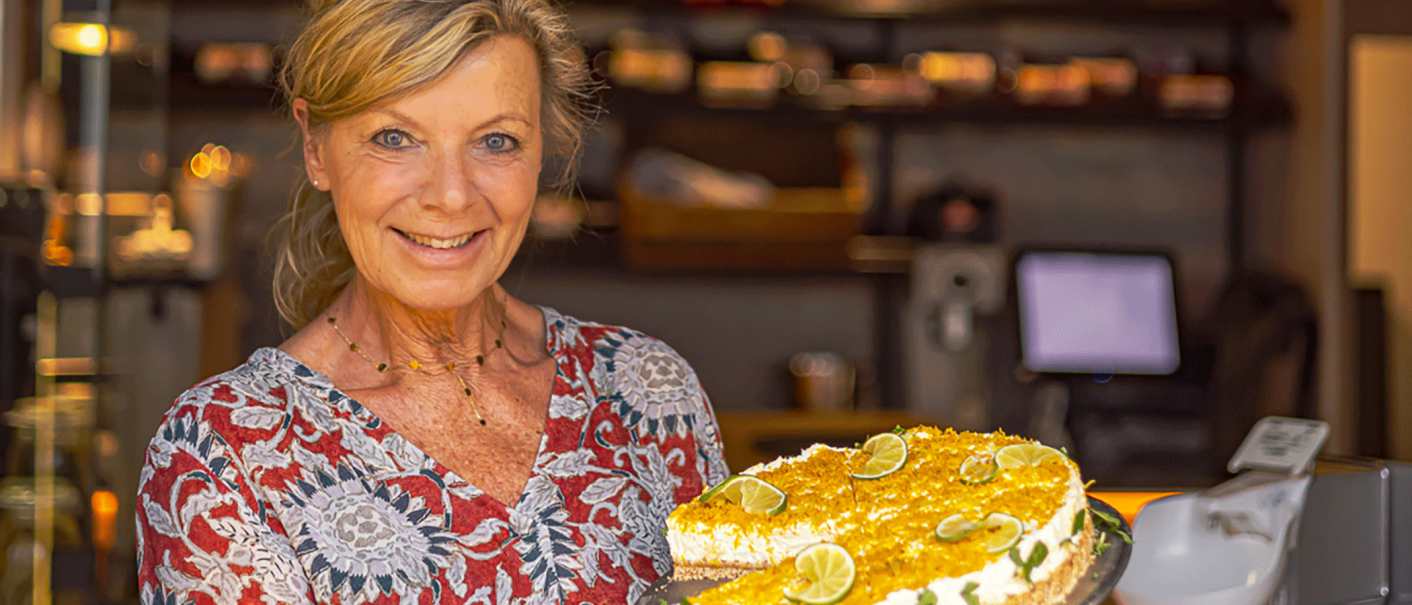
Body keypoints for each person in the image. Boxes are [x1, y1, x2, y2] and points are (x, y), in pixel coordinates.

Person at [135, 0, 729, 602]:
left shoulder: (650, 391)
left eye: (497, 141)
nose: (450, 195)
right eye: (396, 138)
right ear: (317, 148)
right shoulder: (224, 454)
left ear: (540, 152)